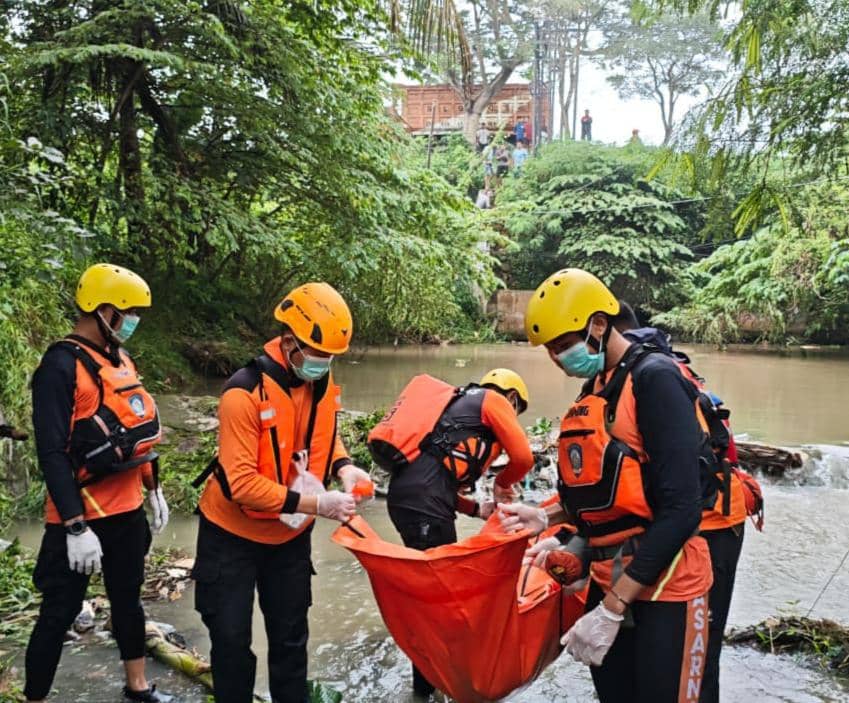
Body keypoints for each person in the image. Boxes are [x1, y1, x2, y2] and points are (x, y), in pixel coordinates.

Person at [501, 268, 713, 703]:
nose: (559, 359)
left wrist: (614, 607)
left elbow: (681, 509)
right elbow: (607, 484)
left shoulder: (655, 379)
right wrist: (548, 514)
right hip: (609, 574)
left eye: (564, 345)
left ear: (599, 324)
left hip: (666, 584)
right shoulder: (596, 386)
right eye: (551, 351)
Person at [191, 282, 369, 703]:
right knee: (231, 643)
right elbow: (242, 485)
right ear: (289, 341)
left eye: (330, 357)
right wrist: (318, 504)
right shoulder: (242, 393)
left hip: (289, 539)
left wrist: (344, 467)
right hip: (231, 537)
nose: (323, 364)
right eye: (317, 354)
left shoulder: (320, 384)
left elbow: (325, 436)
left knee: (290, 641)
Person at [25, 263, 171, 703]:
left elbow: (137, 428)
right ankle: (33, 697)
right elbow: (51, 452)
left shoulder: (121, 359)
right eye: (126, 312)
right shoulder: (59, 366)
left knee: (128, 600)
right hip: (80, 519)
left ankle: (138, 688)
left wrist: (153, 487)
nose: (132, 321)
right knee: (59, 612)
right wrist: (73, 525)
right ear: (101, 310)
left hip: (126, 513)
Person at [612, 301, 756, 703]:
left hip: (711, 524)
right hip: (667, 525)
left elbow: (681, 491)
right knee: (656, 657)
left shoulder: (653, 376)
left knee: (699, 654)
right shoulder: (617, 377)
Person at [383, 368, 535, 697]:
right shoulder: (493, 400)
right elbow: (523, 458)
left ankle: (428, 686)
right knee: (440, 608)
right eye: (517, 411)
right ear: (511, 398)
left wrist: (477, 509)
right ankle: (438, 686)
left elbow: (433, 477)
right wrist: (503, 482)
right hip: (424, 508)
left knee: (430, 600)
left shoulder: (455, 412)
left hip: (407, 501)